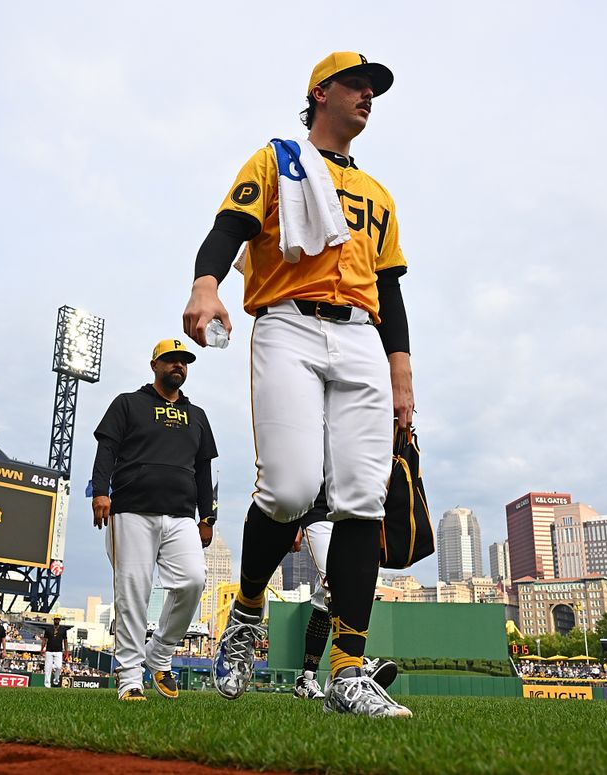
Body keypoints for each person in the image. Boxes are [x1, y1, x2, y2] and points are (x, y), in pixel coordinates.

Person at [182, 51, 414, 718]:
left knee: (362, 500)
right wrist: (207, 284)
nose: (369, 95)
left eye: (375, 89)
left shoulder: (379, 193)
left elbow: (391, 289)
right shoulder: (278, 159)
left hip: (363, 337)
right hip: (288, 320)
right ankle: (247, 610)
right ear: (321, 92)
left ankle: (347, 672)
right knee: (288, 490)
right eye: (357, 84)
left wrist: (402, 371)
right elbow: (230, 228)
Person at [91, 339, 217, 702]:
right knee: (133, 591)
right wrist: (102, 491)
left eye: (183, 361)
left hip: (181, 515)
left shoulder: (198, 416)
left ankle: (159, 652)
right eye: (170, 360)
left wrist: (207, 516)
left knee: (193, 581)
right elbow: (107, 449)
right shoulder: (129, 403)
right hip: (131, 509)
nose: (178, 366)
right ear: (154, 365)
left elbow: (204, 469)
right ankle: (130, 677)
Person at [291, 488, 397, 700]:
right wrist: (292, 521)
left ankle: (306, 680)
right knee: (339, 583)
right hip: (318, 512)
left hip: (352, 511)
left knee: (324, 598)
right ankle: (352, 663)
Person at [40, 615, 69, 689]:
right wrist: (42, 649)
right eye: (55, 619)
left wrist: (66, 651)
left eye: (58, 619)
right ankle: (47, 684)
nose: (57, 620)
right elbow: (44, 640)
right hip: (49, 650)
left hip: (59, 651)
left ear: (60, 620)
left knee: (59, 666)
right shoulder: (48, 629)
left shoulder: (63, 630)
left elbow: (65, 641)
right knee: (47, 668)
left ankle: (56, 679)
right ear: (54, 620)